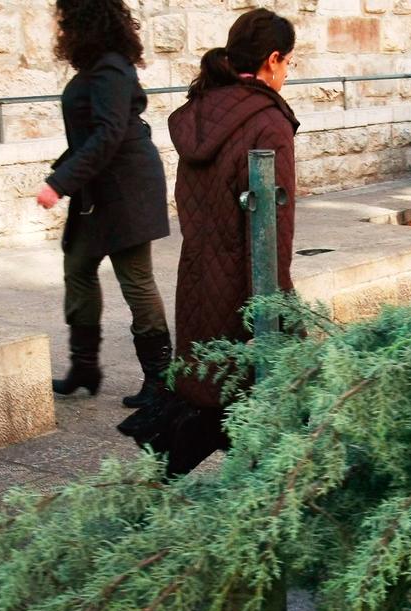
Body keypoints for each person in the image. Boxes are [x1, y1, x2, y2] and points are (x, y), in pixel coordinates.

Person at [120, 8, 298, 478]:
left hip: (198, 279)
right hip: (244, 287)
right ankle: (261, 501)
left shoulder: (202, 111)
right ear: (272, 59)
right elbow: (272, 229)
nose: (286, 72)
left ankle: (163, 473)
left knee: (212, 392)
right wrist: (280, 304)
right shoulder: (267, 123)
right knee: (257, 399)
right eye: (288, 62)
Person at [37, 0, 172, 408]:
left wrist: (59, 182)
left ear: (83, 21)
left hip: (126, 189)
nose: (60, 27)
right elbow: (93, 136)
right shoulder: (97, 67)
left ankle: (161, 380)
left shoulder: (111, 66)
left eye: (64, 20)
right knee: (77, 267)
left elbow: (109, 133)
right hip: (99, 190)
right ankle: (85, 366)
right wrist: (64, 173)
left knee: (136, 279)